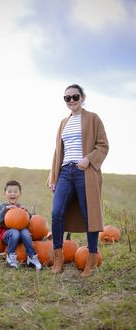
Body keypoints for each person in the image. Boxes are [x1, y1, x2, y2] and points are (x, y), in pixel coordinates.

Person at [47, 84, 109, 278]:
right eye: (67, 98)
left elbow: (103, 145)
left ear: (83, 97)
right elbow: (58, 151)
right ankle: (58, 258)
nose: (71, 100)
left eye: (75, 96)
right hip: (65, 171)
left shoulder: (93, 118)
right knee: (56, 212)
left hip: (85, 171)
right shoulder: (63, 122)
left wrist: (88, 159)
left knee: (89, 215)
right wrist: (53, 174)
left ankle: (90, 261)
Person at [0, 180, 42, 270]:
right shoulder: (2, 206)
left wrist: (27, 213)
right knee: (14, 232)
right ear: (5, 193)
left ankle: (31, 257)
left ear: (20, 194)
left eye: (15, 191)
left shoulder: (20, 207)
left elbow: (29, 222)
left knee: (25, 232)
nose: (12, 194)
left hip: (21, 234)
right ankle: (11, 257)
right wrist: (5, 210)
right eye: (9, 191)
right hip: (7, 235)